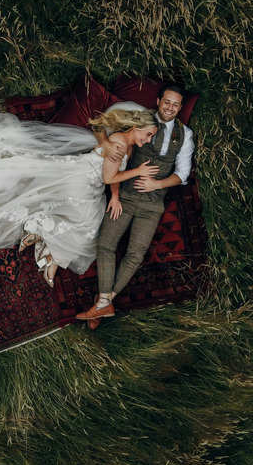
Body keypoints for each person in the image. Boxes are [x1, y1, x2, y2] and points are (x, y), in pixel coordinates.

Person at [0, 108, 159, 286]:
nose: (147, 140)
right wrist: (137, 172)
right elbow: (108, 177)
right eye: (147, 135)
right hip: (82, 181)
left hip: (82, 175)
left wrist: (115, 197)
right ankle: (42, 236)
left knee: (85, 216)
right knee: (90, 229)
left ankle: (42, 239)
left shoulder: (121, 142)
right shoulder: (118, 143)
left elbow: (111, 173)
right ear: (136, 128)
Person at [76, 84, 195, 328]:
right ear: (159, 100)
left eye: (176, 104)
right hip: (126, 195)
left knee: (135, 254)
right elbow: (103, 126)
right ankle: (103, 305)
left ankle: (104, 302)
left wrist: (157, 184)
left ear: (180, 107)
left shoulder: (185, 135)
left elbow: (182, 174)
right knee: (106, 245)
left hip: (153, 204)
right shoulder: (141, 118)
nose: (170, 107)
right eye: (167, 102)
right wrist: (115, 192)